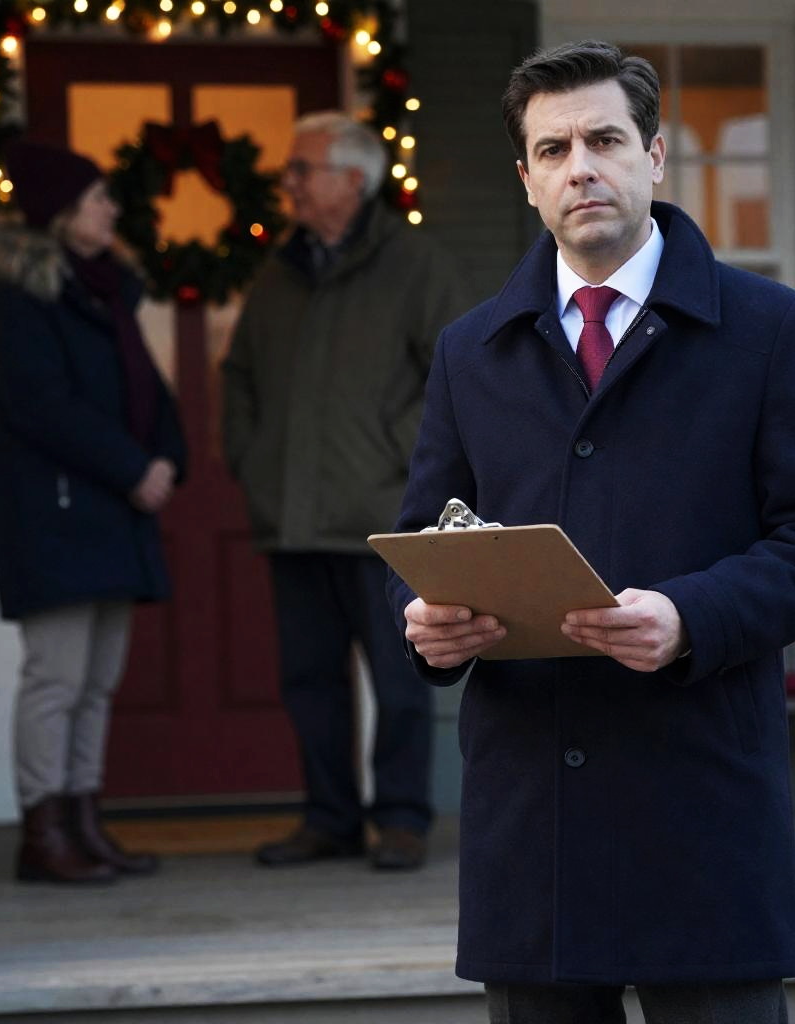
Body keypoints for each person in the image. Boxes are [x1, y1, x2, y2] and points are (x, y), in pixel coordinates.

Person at [389, 41, 795, 1023]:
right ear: (526, 179)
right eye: (554, 149)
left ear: (654, 155)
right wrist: (427, 624)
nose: (581, 167)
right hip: (531, 819)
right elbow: (421, 543)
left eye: (605, 140)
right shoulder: (469, 351)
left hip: (700, 800)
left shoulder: (770, 328)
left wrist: (690, 616)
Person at [222, 112, 469, 871]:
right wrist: (253, 459)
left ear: (354, 180)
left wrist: (397, 455)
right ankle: (327, 818)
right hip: (292, 520)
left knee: (399, 679)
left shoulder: (416, 265)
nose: (289, 184)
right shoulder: (278, 271)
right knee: (309, 682)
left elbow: (459, 378)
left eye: (303, 170)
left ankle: (401, 819)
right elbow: (239, 377)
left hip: (382, 517)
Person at [0, 140, 187, 884]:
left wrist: (167, 457)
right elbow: (39, 406)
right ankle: (43, 831)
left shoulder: (104, 295)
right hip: (53, 516)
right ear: (61, 211)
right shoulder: (17, 300)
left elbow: (146, 392)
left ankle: (84, 823)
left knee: (94, 683)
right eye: (98, 198)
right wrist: (134, 469)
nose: (112, 210)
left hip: (111, 515)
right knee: (56, 678)